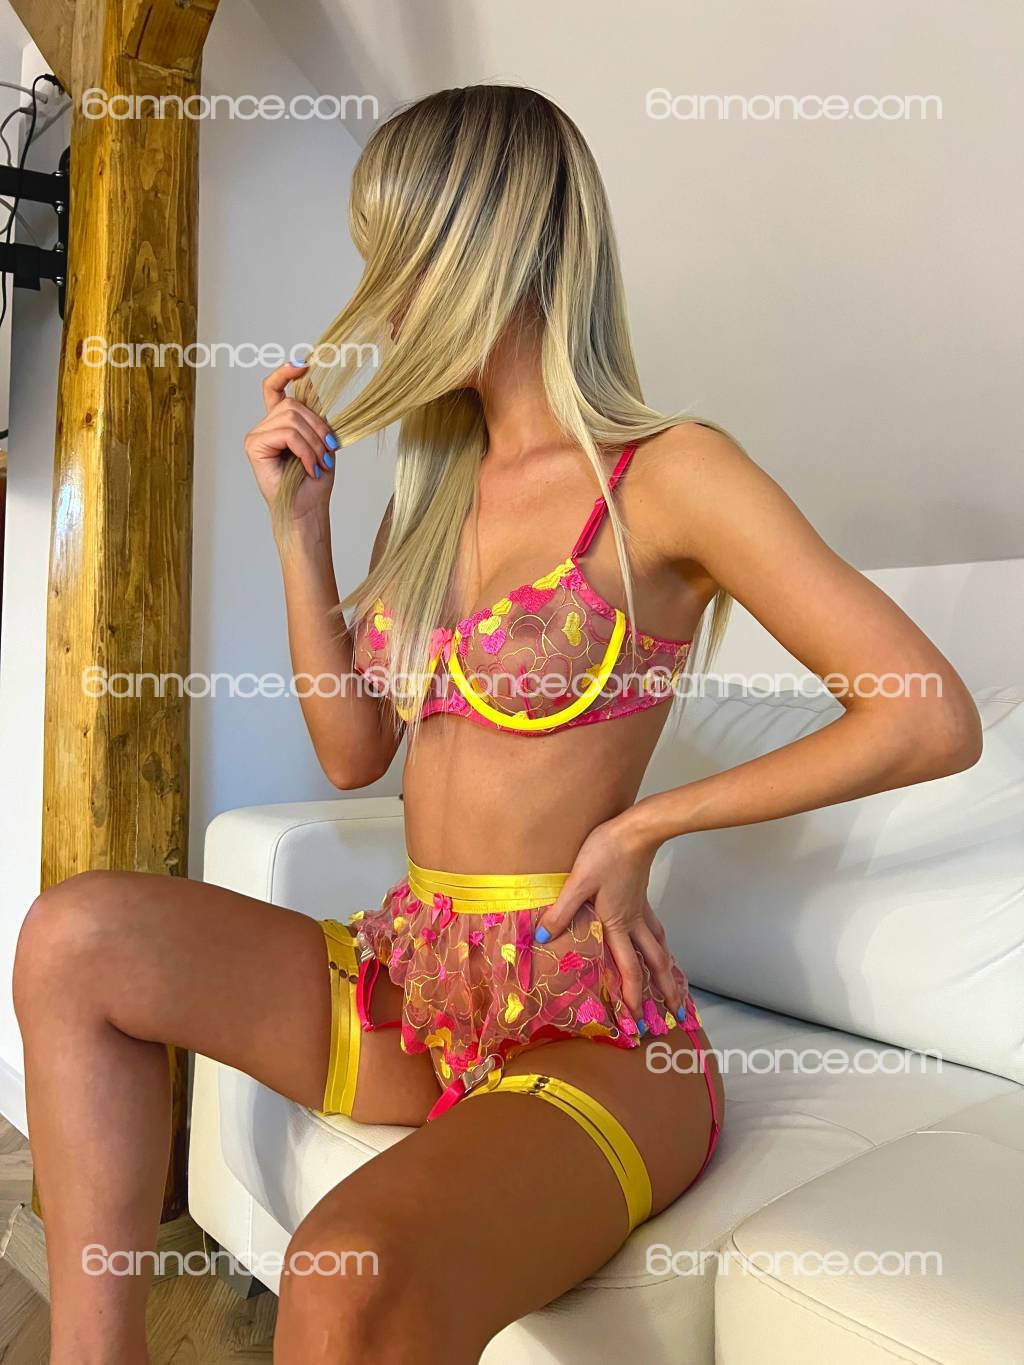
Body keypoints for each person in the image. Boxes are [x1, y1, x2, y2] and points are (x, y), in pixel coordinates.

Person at [14, 85, 981, 1364]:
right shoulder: (434, 490)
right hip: (419, 986)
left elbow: (927, 716)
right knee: (76, 938)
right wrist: (299, 531)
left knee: (345, 1279)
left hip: (593, 1029)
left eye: (395, 257)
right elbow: (354, 754)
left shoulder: (668, 474)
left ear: (487, 245)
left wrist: (644, 827)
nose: (380, 299)